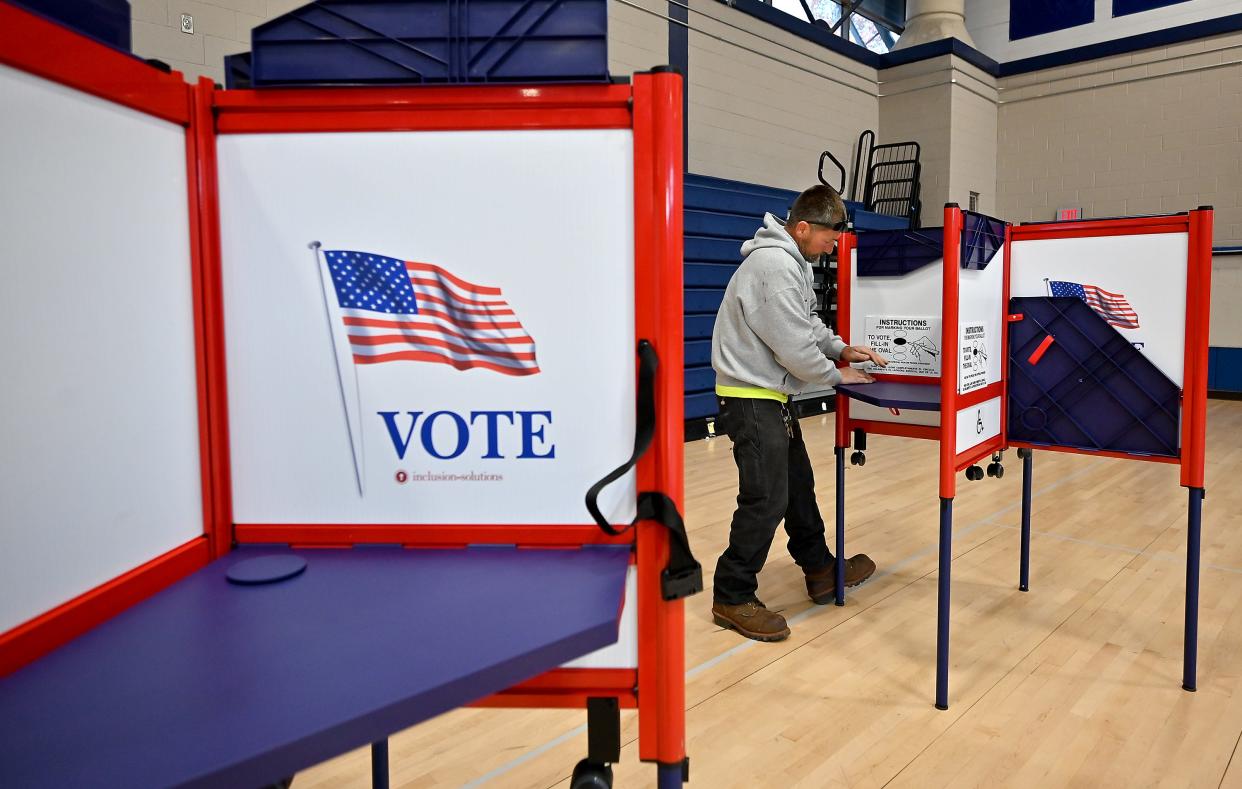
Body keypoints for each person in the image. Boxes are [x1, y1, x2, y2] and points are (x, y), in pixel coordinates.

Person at [710, 183, 887, 642]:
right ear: (803, 227)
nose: (834, 246)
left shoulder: (792, 264)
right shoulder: (773, 265)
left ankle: (820, 571)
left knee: (799, 490)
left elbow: (807, 324)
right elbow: (791, 344)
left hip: (770, 396)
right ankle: (731, 594)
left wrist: (842, 350)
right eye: (830, 237)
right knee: (766, 497)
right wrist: (834, 375)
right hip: (750, 396)